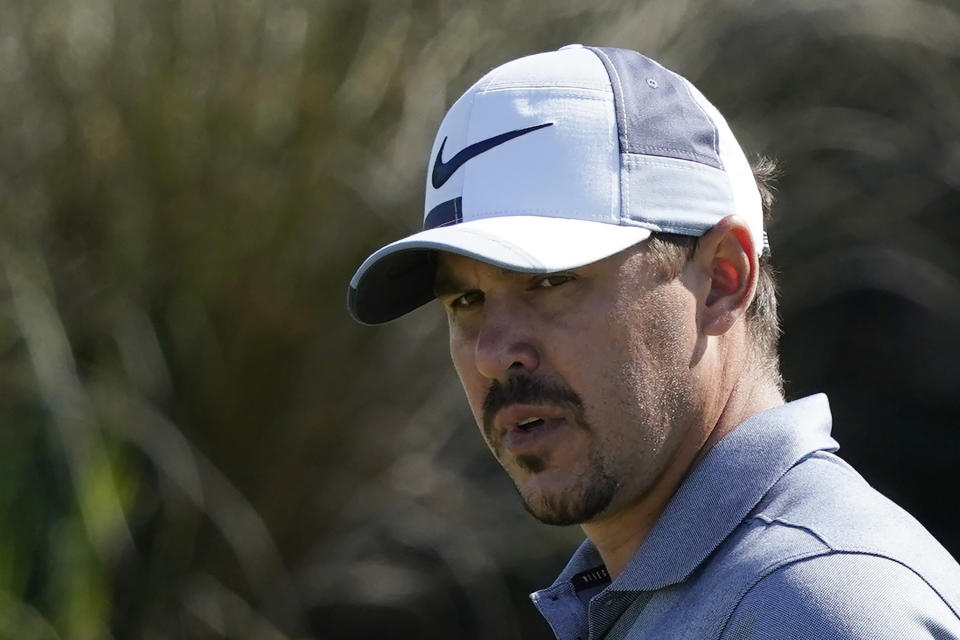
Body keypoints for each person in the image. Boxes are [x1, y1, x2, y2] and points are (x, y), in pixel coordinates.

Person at [347, 45, 960, 639]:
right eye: (466, 300)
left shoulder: (812, 606)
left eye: (551, 280)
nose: (493, 352)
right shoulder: (692, 592)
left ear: (723, 278)